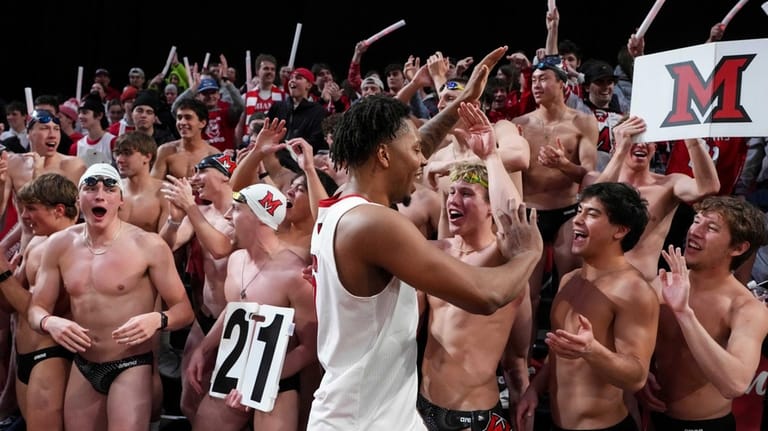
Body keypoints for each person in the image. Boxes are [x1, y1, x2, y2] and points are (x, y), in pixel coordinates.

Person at [308, 46, 544, 430]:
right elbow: (485, 296)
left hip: (374, 410)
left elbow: (413, 145)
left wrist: (460, 105)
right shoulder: (375, 224)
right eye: (415, 151)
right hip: (362, 421)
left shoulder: (338, 209)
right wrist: (528, 254)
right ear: (384, 156)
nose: (423, 161)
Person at [26, 163, 194, 431]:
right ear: (78, 199)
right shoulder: (59, 244)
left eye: (109, 188)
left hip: (130, 364)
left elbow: (184, 311)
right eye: (91, 188)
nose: (100, 195)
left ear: (121, 200)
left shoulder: (147, 244)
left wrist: (157, 319)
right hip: (83, 364)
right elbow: (36, 309)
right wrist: (50, 322)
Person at [418, 103, 532, 431]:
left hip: (474, 416)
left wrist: (492, 157)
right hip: (421, 407)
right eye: (451, 192)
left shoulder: (504, 264)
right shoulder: (438, 251)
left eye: (466, 194)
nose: (453, 200)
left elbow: (516, 361)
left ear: (490, 208)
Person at [516, 182, 658, 431]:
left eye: (592, 214)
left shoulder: (634, 290)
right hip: (555, 423)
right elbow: (560, 353)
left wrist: (592, 350)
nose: (577, 220)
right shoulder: (569, 280)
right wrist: (534, 389)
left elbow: (636, 377)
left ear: (620, 230)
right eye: (579, 210)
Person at [186, 183, 316, 431]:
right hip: (233, 372)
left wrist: (257, 381)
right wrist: (204, 348)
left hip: (278, 379)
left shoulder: (295, 274)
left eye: (236, 209)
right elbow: (234, 310)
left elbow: (309, 348)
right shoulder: (236, 260)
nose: (227, 216)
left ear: (260, 218)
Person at [638, 196, 768, 431]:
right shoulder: (662, 283)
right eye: (696, 221)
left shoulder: (746, 308)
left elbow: (735, 384)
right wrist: (639, 373)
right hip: (655, 419)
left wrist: (684, 313)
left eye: (711, 228)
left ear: (738, 248)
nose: (694, 231)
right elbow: (634, 341)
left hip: (705, 425)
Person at [511, 53, 598, 335]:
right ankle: (523, 358)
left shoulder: (583, 123)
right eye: (534, 80)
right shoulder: (520, 123)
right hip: (530, 212)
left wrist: (563, 165)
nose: (536, 85)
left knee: (570, 290)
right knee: (526, 296)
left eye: (544, 79)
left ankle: (564, 352)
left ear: (562, 83)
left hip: (567, 212)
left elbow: (589, 175)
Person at [584, 116, 720, 281]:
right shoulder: (596, 180)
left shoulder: (669, 185)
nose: (641, 144)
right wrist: (620, 150)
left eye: (648, 140)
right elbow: (593, 205)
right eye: (633, 139)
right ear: (616, 144)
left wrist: (692, 140)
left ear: (655, 147)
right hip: (596, 279)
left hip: (640, 284)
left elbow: (708, 187)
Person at [159, 153, 237, 424]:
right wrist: (174, 219)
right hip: (205, 316)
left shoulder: (240, 212)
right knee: (189, 401)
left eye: (201, 171)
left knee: (227, 410)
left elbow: (220, 249)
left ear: (224, 175)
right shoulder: (201, 212)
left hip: (234, 321)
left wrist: (190, 207)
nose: (194, 179)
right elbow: (165, 246)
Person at [0, 173, 78, 431]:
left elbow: (42, 312)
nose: (24, 217)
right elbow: (9, 305)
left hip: (51, 355)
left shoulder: (72, 246)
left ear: (59, 210)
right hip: (25, 354)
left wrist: (3, 275)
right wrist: (5, 277)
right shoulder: (37, 240)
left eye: (31, 209)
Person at [151, 98, 220, 180]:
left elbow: (226, 186)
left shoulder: (214, 155)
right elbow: (153, 183)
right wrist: (170, 185)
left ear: (202, 123)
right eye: (179, 118)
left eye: (188, 117)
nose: (182, 122)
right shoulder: (165, 151)